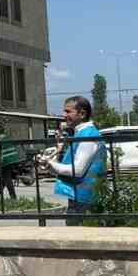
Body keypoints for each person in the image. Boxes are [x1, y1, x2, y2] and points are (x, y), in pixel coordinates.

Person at [47, 96, 104, 225]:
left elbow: (77, 170)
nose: (64, 115)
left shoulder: (88, 135)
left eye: (68, 111)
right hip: (80, 196)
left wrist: (52, 165)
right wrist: (53, 163)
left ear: (82, 114)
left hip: (85, 199)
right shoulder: (80, 134)